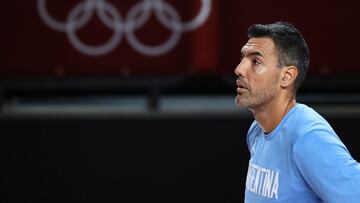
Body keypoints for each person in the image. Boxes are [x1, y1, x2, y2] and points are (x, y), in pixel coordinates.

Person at [235, 22, 360, 202]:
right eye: (242, 58)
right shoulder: (256, 130)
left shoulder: (309, 137)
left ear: (287, 77)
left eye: (255, 61)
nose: (239, 69)